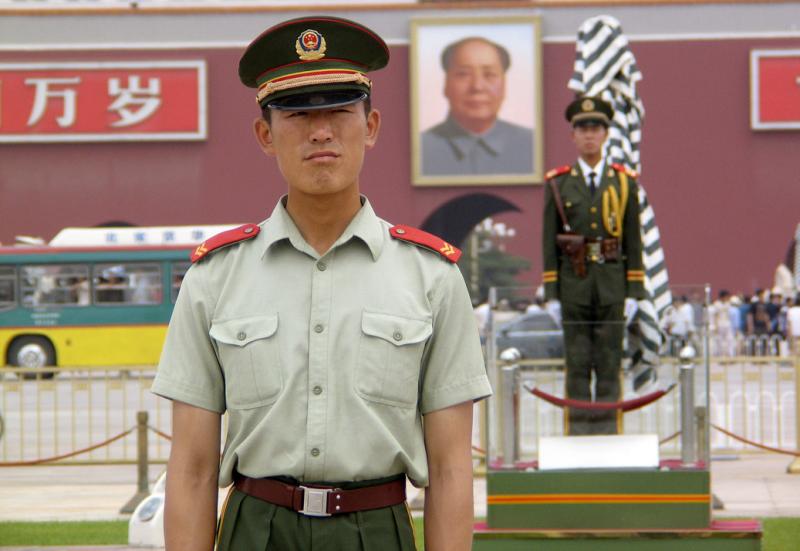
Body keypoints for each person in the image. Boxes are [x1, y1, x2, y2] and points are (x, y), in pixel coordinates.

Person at [151, 16, 492, 551]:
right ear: (266, 134)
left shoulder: (431, 277)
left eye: (338, 110)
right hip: (254, 530)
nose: (321, 131)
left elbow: (451, 470)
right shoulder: (215, 277)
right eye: (298, 114)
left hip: (376, 530)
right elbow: (192, 468)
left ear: (372, 126)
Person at [541, 96, 645, 435]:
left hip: (612, 285)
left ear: (606, 134)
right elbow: (549, 240)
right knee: (578, 365)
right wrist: (553, 292)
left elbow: (633, 239)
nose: (589, 135)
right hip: (574, 286)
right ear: (572, 135)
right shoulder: (558, 183)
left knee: (609, 362)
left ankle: (607, 436)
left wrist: (634, 291)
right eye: (582, 129)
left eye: (595, 128)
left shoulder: (624, 182)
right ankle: (579, 436)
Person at [421, 37, 534, 176]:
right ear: (446, 84)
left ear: (504, 84)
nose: (477, 86)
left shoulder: (532, 145)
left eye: (489, 74)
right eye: (463, 74)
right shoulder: (420, 148)